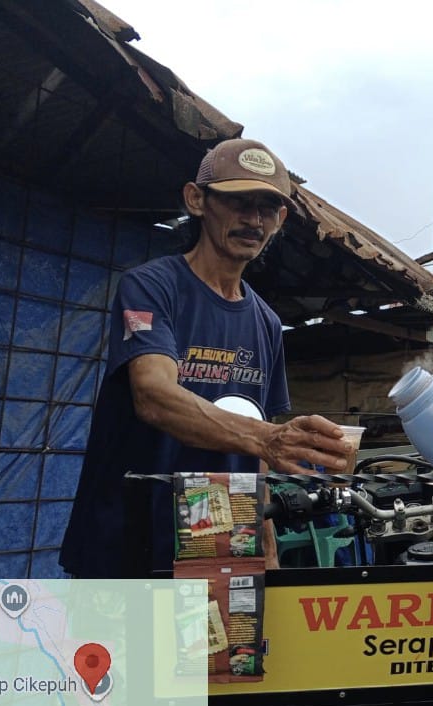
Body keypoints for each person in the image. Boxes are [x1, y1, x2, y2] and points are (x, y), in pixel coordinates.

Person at [60, 138, 350, 578]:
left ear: (280, 221)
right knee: (123, 628)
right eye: (238, 202)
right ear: (197, 200)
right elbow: (154, 396)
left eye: (267, 209)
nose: (253, 219)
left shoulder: (267, 323)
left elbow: (258, 455)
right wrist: (268, 438)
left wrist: (266, 543)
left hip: (221, 541)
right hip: (129, 538)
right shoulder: (151, 288)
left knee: (214, 628)